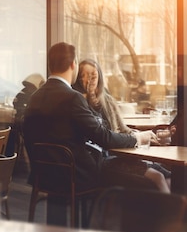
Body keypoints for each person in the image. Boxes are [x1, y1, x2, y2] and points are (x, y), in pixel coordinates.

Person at [23, 42, 156, 192]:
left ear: (50, 65)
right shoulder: (72, 98)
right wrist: (137, 138)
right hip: (77, 177)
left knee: (150, 173)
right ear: (74, 65)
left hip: (44, 176)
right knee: (149, 181)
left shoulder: (34, 97)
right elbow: (104, 138)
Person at [73, 59, 171, 193]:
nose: (88, 80)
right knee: (158, 177)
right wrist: (138, 138)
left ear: (99, 78)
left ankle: (170, 211)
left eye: (93, 76)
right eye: (83, 76)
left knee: (168, 176)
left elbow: (122, 130)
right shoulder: (78, 104)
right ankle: (169, 211)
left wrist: (147, 136)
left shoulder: (107, 101)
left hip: (118, 156)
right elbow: (106, 138)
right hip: (103, 161)